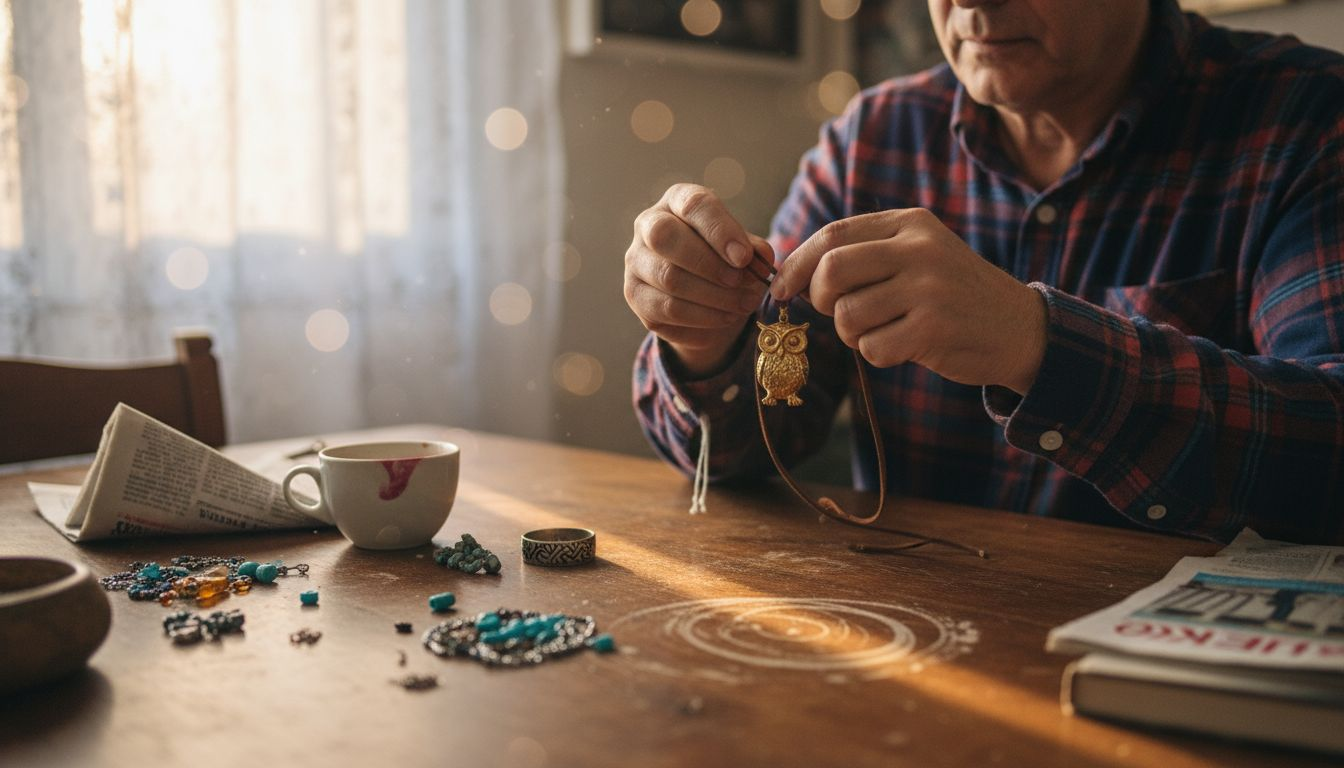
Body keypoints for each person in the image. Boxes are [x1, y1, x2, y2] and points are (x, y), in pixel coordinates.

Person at [624, 0, 1344, 545]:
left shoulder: (1306, 122)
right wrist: (705, 339)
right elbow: (752, 446)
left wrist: (1035, 343)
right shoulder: (872, 139)